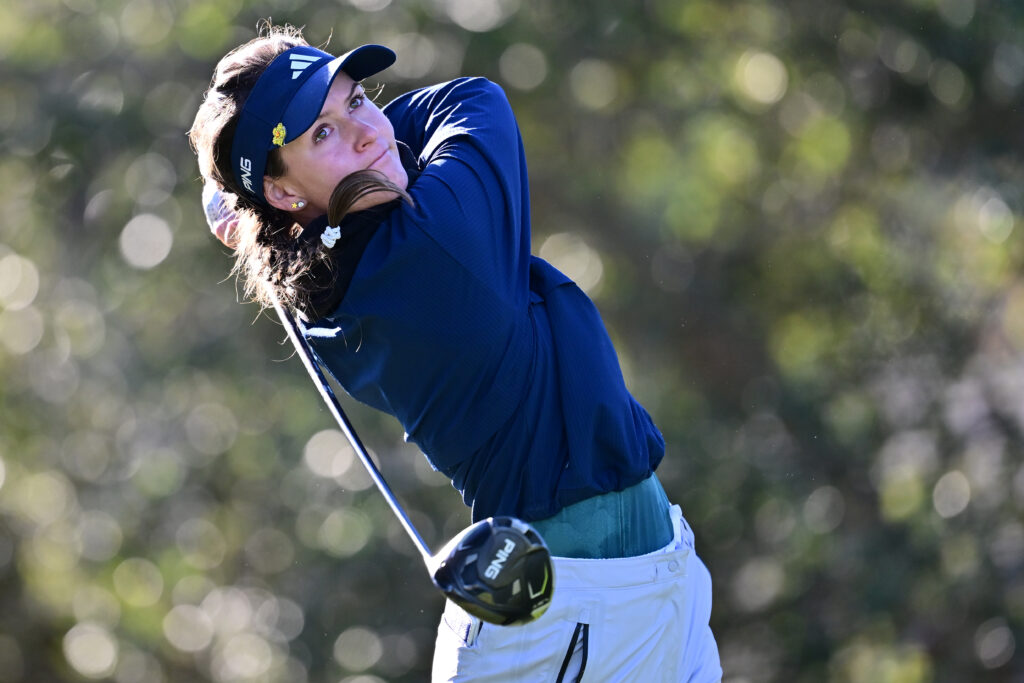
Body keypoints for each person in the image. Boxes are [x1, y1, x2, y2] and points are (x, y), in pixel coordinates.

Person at [190, 22, 722, 682]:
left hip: (631, 592)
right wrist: (263, 193)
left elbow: (360, 170)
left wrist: (271, 193)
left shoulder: (321, 281)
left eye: (357, 101)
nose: (365, 130)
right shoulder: (440, 243)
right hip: (571, 617)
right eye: (321, 133)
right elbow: (474, 99)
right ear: (283, 191)